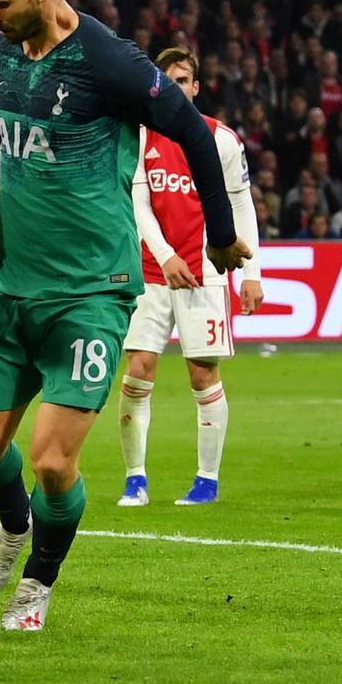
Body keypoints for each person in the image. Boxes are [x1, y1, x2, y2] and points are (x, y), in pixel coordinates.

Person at [0, 0, 249, 631]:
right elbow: (25, 155)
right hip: (7, 282)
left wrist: (218, 233)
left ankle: (37, 585)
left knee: (52, 462)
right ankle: (13, 527)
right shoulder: (6, 47)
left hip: (88, 290)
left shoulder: (108, 62)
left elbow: (192, 132)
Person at [116, 47, 265, 508]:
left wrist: (252, 273)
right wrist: (163, 257)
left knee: (202, 375)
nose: (177, 87)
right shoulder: (141, 137)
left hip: (206, 272)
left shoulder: (220, 139)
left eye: (184, 80)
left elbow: (241, 204)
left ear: (196, 88)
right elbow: (138, 202)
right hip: (151, 273)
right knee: (137, 372)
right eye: (169, 79)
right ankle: (135, 480)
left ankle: (206, 480)